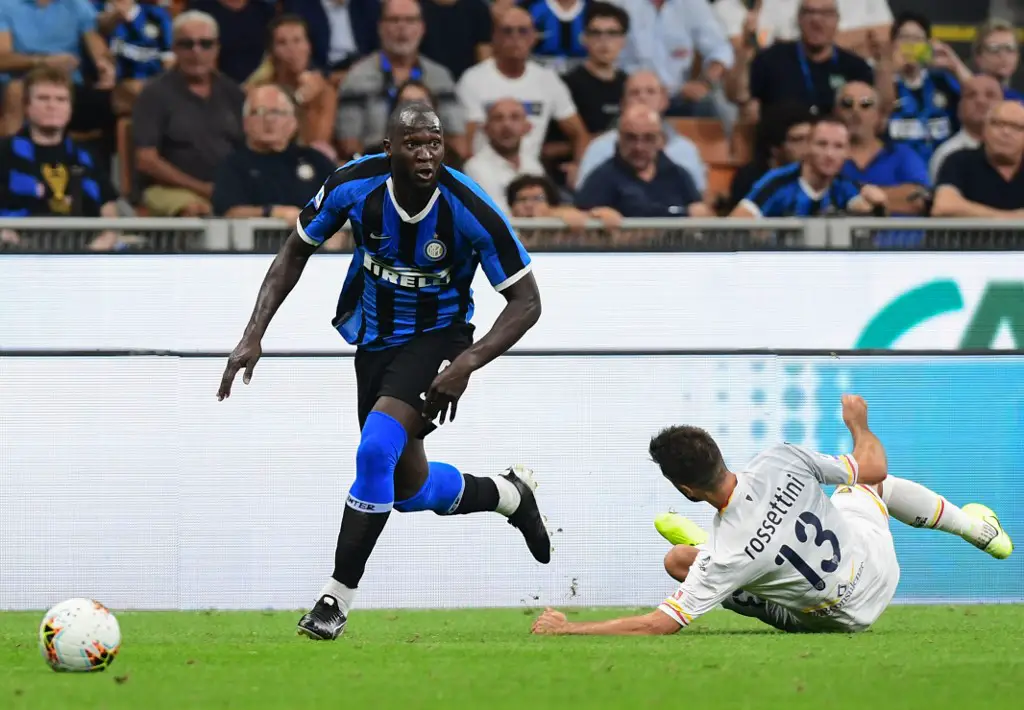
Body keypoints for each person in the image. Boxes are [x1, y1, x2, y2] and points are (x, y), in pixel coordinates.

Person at [217, 102, 550, 641]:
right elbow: (293, 251)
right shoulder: (353, 185)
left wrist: (466, 363)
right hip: (375, 344)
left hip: (440, 342)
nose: (425, 155)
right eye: (413, 144)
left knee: (374, 451)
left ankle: (335, 600)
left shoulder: (469, 205)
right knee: (407, 489)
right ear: (389, 147)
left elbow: (526, 302)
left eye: (434, 144)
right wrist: (253, 333)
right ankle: (509, 495)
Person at [531, 394, 1013, 636]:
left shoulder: (726, 553)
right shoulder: (780, 459)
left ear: (686, 489)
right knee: (873, 485)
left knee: (689, 563)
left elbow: (660, 623)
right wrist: (858, 425)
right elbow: (874, 466)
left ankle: (710, 550)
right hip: (877, 571)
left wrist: (571, 628)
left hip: (839, 620)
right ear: (720, 454)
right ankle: (978, 529)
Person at [131, 10, 244, 217]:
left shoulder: (233, 93)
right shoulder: (154, 94)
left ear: (217, 48)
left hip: (225, 190)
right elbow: (146, 160)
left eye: (205, 44)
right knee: (196, 210)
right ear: (174, 48)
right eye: (187, 44)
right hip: (167, 190)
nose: (196, 52)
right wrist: (202, 189)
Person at [456, 7, 589, 165]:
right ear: (494, 37)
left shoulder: (548, 80)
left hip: (531, 173)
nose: (515, 37)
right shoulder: (473, 79)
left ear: (534, 37)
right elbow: (467, 144)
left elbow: (580, 134)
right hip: (484, 173)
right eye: (507, 31)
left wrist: (578, 169)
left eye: (523, 31)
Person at [336, 0, 466, 160]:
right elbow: (349, 144)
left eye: (410, 20)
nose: (401, 27)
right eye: (394, 20)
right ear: (380, 27)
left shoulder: (440, 77)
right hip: (376, 168)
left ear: (422, 28)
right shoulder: (357, 78)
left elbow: (457, 142)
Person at [211, 84, 336, 219]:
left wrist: (335, 236)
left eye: (277, 112)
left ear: (293, 122)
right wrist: (272, 212)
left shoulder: (316, 161)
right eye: (258, 112)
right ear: (245, 123)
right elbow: (229, 212)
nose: (269, 120)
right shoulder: (232, 165)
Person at [746, 0, 886, 120]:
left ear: (837, 21)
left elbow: (880, 113)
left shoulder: (856, 67)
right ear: (798, 18)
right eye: (809, 13)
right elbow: (739, 97)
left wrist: (885, 65)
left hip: (837, 147)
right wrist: (744, 50)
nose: (817, 21)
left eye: (826, 14)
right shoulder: (771, 60)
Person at [575, 70, 706, 194]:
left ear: (664, 101)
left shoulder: (686, 149)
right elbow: (585, 203)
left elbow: (699, 202)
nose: (642, 98)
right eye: (634, 93)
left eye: (651, 92)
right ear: (623, 102)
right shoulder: (599, 148)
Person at [731, 116, 886, 218]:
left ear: (847, 152)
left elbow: (870, 228)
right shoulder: (777, 183)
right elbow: (734, 225)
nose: (829, 154)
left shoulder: (845, 188)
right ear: (807, 147)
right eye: (821, 144)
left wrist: (880, 206)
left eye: (838, 146)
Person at [575, 104, 709, 217]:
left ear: (660, 140)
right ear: (619, 138)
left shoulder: (679, 175)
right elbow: (580, 230)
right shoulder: (600, 179)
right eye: (631, 138)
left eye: (648, 138)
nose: (639, 147)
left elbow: (703, 217)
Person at [611, 0, 733, 117]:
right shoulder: (619, 3)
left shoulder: (694, 3)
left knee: (718, 106)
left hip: (679, 95)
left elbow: (720, 50)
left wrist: (704, 83)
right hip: (631, 93)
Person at [886, 12, 971, 164]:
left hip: (944, 169)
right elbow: (871, 105)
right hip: (898, 174)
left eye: (917, 39)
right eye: (904, 38)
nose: (911, 45)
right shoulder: (881, 83)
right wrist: (888, 70)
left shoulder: (942, 81)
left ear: (928, 45)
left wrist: (955, 65)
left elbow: (981, 97)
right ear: (892, 44)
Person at [245, 15, 337, 155]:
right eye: (282, 43)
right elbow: (267, 141)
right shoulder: (258, 91)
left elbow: (318, 146)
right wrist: (297, 100)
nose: (292, 49)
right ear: (272, 51)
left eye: (297, 41)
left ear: (308, 46)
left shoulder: (323, 92)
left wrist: (309, 106)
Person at [837, 81, 929, 216]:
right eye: (847, 104)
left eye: (866, 104)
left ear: (879, 115)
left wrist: (851, 197)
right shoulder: (828, 156)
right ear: (835, 112)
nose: (856, 110)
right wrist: (895, 196)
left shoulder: (902, 154)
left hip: (901, 237)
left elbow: (918, 200)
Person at [931, 100, 1024, 218]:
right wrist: (1012, 219)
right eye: (997, 124)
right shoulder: (959, 160)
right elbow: (944, 206)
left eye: (1016, 127)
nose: (1006, 132)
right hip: (969, 237)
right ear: (984, 130)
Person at [726, 101, 813, 212]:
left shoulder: (820, 178)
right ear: (775, 148)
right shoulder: (750, 179)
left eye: (810, 139)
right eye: (798, 140)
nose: (808, 148)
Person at [463, 98, 545, 213]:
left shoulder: (534, 165)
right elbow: (495, 214)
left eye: (515, 117)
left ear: (527, 128)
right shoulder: (475, 167)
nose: (506, 125)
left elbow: (545, 206)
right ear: (486, 129)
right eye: (498, 118)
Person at [560, 1, 628, 136]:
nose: (604, 40)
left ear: (623, 40)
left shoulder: (630, 85)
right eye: (596, 33)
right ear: (584, 38)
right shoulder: (567, 86)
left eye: (612, 33)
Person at [929, 74, 1003, 183]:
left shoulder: (1018, 150)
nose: (980, 101)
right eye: (971, 95)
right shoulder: (947, 155)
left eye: (990, 95)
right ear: (960, 107)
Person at [972, 19, 1023, 103]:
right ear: (979, 57)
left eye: (1009, 48)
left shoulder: (1018, 99)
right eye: (994, 49)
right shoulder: (964, 94)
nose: (1003, 56)